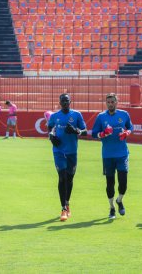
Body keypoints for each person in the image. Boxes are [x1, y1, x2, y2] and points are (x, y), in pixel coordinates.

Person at [92, 93, 133, 220]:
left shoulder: (124, 114)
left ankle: (119, 200)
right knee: (110, 183)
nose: (110, 104)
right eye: (108, 102)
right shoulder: (101, 117)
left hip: (122, 154)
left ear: (117, 102)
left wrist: (127, 132)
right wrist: (103, 134)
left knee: (123, 183)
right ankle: (111, 207)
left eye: (113, 101)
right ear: (106, 103)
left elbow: (130, 127)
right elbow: (93, 133)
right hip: (108, 155)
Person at [47, 94, 87, 222]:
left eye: (67, 101)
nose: (65, 103)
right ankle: (63, 208)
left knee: (69, 179)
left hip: (72, 152)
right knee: (62, 177)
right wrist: (51, 136)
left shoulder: (77, 115)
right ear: (59, 102)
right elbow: (50, 128)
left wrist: (76, 131)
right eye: (62, 101)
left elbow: (85, 131)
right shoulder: (54, 116)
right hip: (59, 151)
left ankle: (67, 203)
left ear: (70, 102)